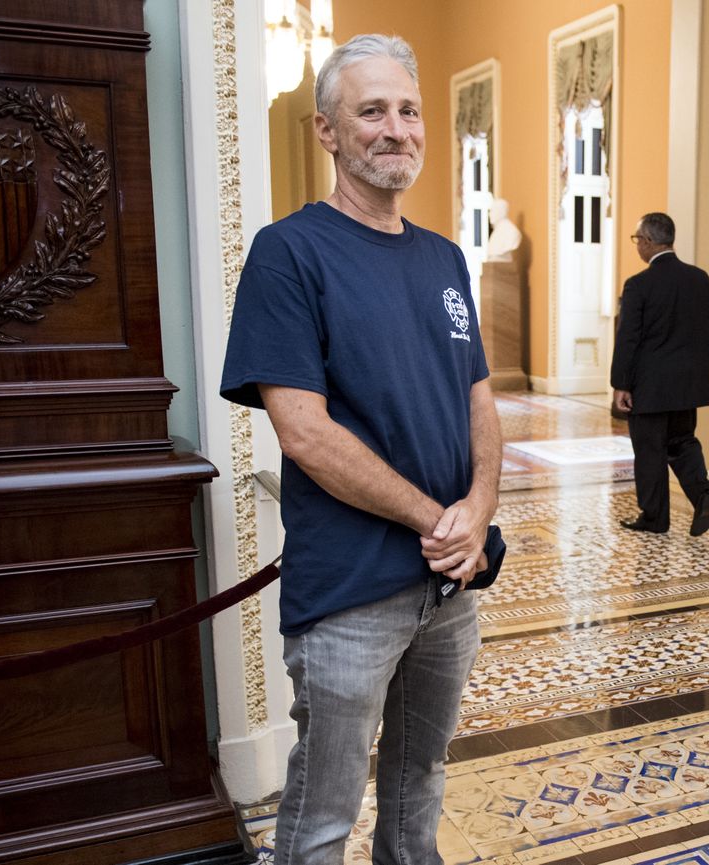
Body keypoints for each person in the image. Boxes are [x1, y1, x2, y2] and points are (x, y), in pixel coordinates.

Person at [219, 34, 501, 865]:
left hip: (448, 590)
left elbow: (480, 401)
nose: (395, 128)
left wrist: (478, 512)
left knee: (420, 792)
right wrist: (439, 519)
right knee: (321, 817)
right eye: (371, 110)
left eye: (408, 110)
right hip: (348, 592)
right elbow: (302, 431)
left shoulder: (446, 257)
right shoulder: (289, 252)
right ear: (328, 131)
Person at [610, 212, 709, 536]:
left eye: (637, 240)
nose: (637, 246)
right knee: (683, 443)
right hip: (688, 384)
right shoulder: (699, 279)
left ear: (647, 242)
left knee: (650, 452)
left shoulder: (639, 285)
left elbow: (628, 338)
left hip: (650, 387)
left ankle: (655, 518)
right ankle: (703, 494)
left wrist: (620, 385)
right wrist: (700, 373)